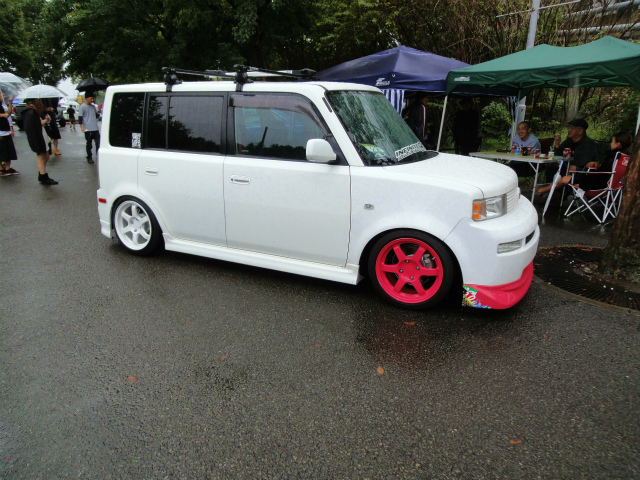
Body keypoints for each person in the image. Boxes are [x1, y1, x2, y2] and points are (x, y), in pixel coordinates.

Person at [536, 131, 632, 195]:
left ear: (618, 144)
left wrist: (585, 174)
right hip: (608, 186)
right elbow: (607, 171)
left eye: (612, 141)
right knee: (564, 175)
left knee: (565, 178)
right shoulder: (623, 157)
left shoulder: (613, 157)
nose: (611, 143)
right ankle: (546, 192)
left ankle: (541, 191)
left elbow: (602, 173)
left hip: (595, 185)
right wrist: (598, 165)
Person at [545, 118, 598, 183]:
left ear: (580, 131)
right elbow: (558, 154)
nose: (569, 130)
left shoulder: (588, 143)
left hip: (582, 171)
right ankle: (550, 187)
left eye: (572, 128)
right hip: (567, 166)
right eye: (569, 128)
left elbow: (583, 162)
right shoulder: (569, 141)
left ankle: (560, 189)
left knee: (570, 168)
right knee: (552, 166)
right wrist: (557, 145)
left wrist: (565, 164)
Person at [22, 98, 58, 185]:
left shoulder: (31, 112)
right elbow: (37, 124)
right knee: (42, 157)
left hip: (40, 136)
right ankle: (43, 176)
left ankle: (42, 174)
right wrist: (46, 120)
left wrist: (45, 119)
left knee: (45, 155)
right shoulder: (31, 112)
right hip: (38, 137)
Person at [0, 90, 19, 177]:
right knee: (2, 150)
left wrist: (10, 103)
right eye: (1, 95)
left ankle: (8, 168)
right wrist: (2, 115)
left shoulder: (2, 104)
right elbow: (5, 115)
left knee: (9, 150)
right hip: (0, 131)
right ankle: (1, 169)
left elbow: (9, 113)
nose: (3, 96)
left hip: (6, 128)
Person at [78, 92, 100, 163]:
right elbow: (80, 117)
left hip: (95, 128)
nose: (92, 100)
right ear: (86, 98)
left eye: (93, 98)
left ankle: (98, 156)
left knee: (98, 143)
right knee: (89, 144)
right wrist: (81, 127)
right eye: (91, 98)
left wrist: (98, 111)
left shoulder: (93, 107)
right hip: (88, 128)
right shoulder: (82, 107)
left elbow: (96, 116)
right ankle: (89, 157)